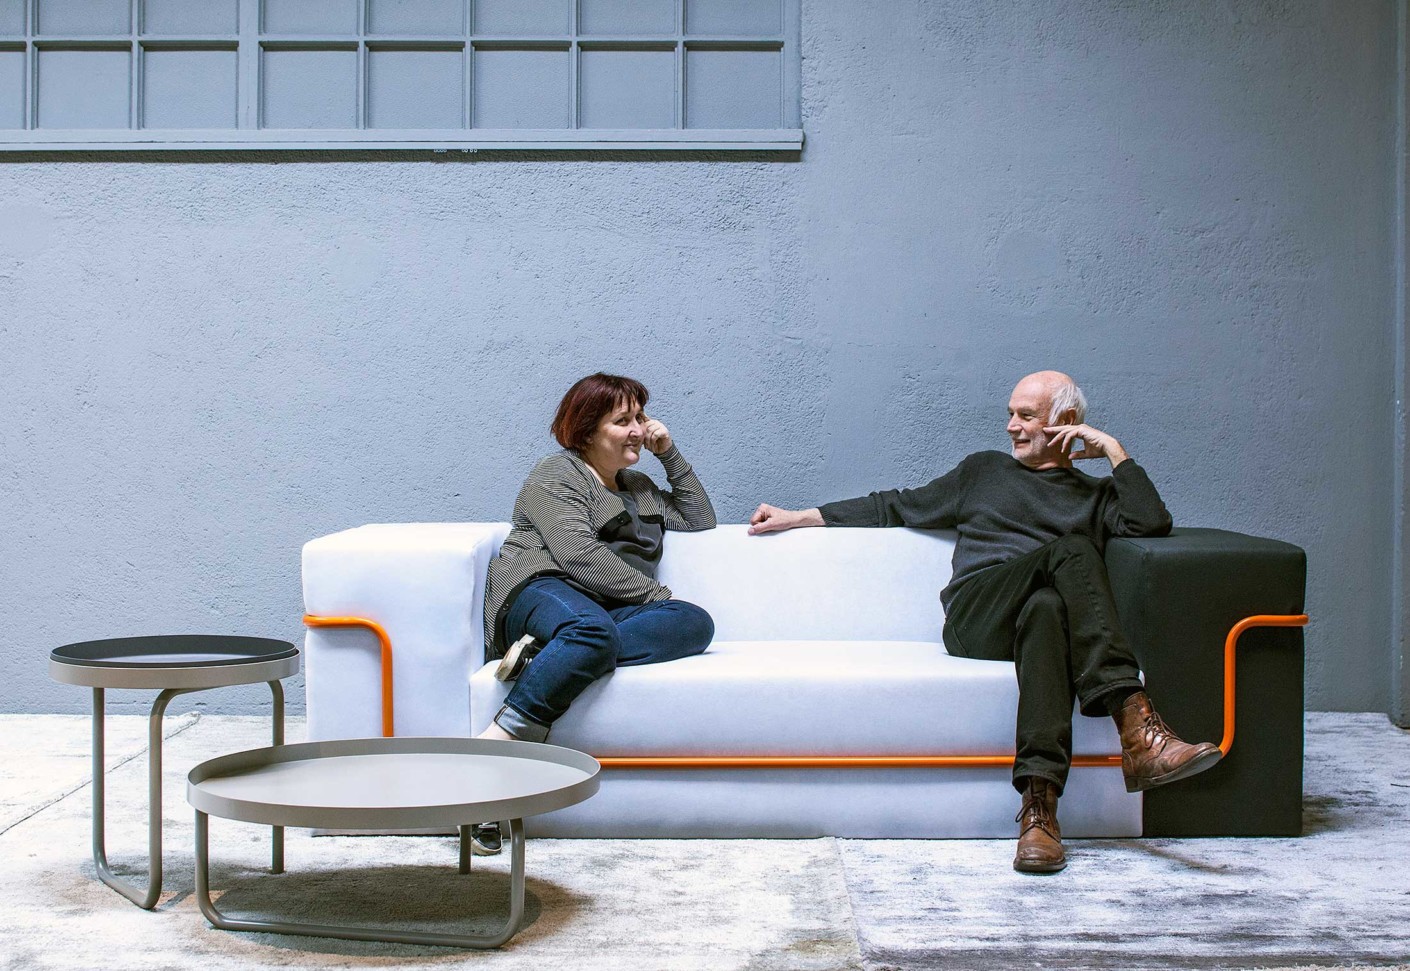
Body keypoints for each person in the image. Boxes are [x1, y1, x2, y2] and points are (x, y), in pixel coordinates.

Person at [748, 370, 1220, 874]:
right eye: (1010, 414)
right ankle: (1136, 725)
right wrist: (800, 516)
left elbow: (1151, 523)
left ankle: (1039, 812)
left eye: (1026, 416)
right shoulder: (983, 471)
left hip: (1035, 625)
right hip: (977, 615)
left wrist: (1114, 452)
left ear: (1065, 421)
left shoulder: (1097, 495)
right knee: (1073, 551)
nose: (1012, 426)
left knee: (1047, 609)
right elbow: (895, 506)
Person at [471, 372, 716, 854]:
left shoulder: (639, 486)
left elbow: (699, 519)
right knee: (592, 628)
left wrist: (669, 454)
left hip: (602, 613)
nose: (638, 430)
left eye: (640, 418)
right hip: (539, 589)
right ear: (586, 431)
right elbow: (577, 554)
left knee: (695, 622)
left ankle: (552, 655)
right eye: (623, 421)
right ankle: (499, 745)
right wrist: (655, 596)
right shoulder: (556, 474)